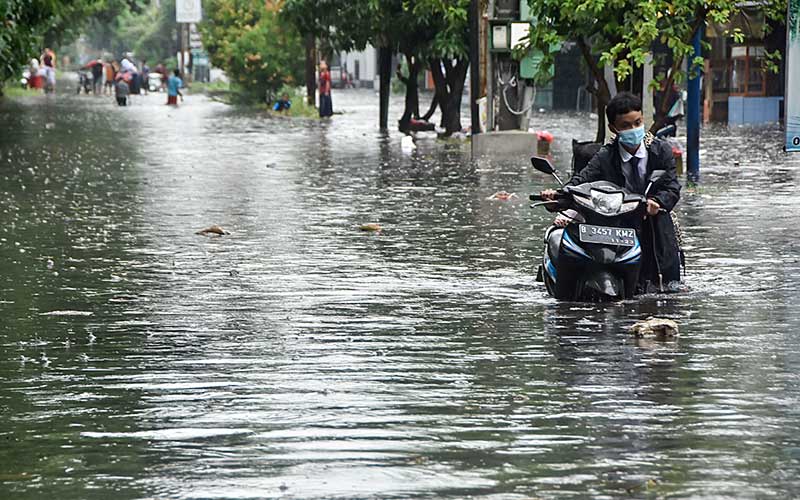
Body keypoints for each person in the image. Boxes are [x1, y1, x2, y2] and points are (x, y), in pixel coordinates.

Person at [540, 91, 683, 293]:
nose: (633, 129)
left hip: (654, 228)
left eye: (637, 122)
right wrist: (559, 196)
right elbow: (581, 181)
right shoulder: (606, 156)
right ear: (613, 128)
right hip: (616, 229)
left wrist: (656, 202)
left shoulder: (661, 151)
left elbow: (672, 187)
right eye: (626, 125)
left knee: (665, 292)